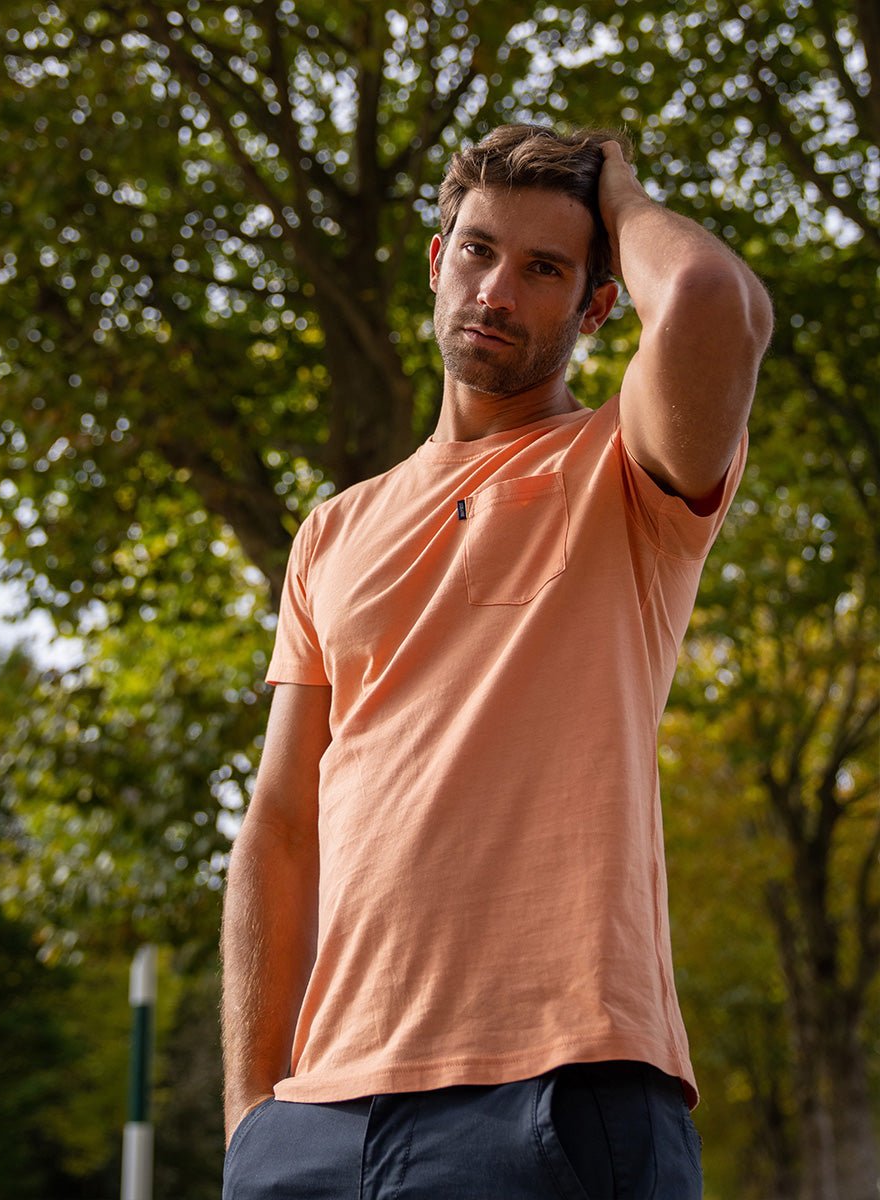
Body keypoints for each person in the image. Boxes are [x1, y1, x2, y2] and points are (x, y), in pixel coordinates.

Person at [220, 124, 773, 1199]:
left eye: (545, 269)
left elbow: (710, 296)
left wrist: (620, 194)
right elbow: (282, 822)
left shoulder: (628, 467)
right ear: (436, 262)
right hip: (320, 1122)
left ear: (596, 305)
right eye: (477, 251)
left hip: (556, 1100)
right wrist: (252, 1117)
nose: (497, 291)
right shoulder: (330, 532)